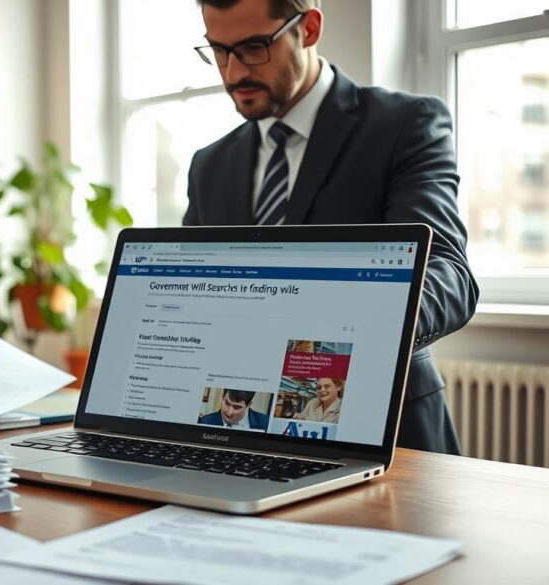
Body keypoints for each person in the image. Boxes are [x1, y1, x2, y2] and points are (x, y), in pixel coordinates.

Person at [185, 0, 478, 453]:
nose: (233, 72)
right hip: (240, 436)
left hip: (391, 436)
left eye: (254, 47)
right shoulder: (209, 164)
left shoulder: (405, 124)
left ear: (309, 28)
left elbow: (448, 273)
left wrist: (362, 332)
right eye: (219, 50)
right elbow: (192, 294)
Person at [198, 389, 268, 430]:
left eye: (236, 407)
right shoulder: (205, 421)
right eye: (227, 403)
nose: (229, 412)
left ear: (249, 405)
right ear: (222, 396)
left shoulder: (265, 423)